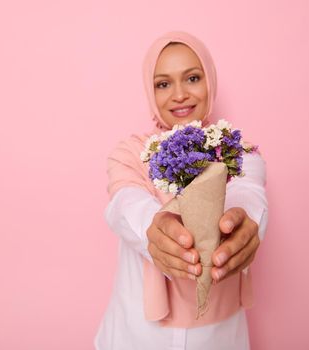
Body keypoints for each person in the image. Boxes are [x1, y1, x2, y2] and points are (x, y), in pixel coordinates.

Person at [94, 31, 268, 350]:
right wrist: (156, 229)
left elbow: (249, 193)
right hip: (137, 335)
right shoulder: (131, 152)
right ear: (151, 90)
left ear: (209, 81)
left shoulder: (237, 151)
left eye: (192, 78)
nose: (179, 95)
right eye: (163, 83)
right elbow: (124, 201)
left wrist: (246, 222)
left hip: (218, 337)